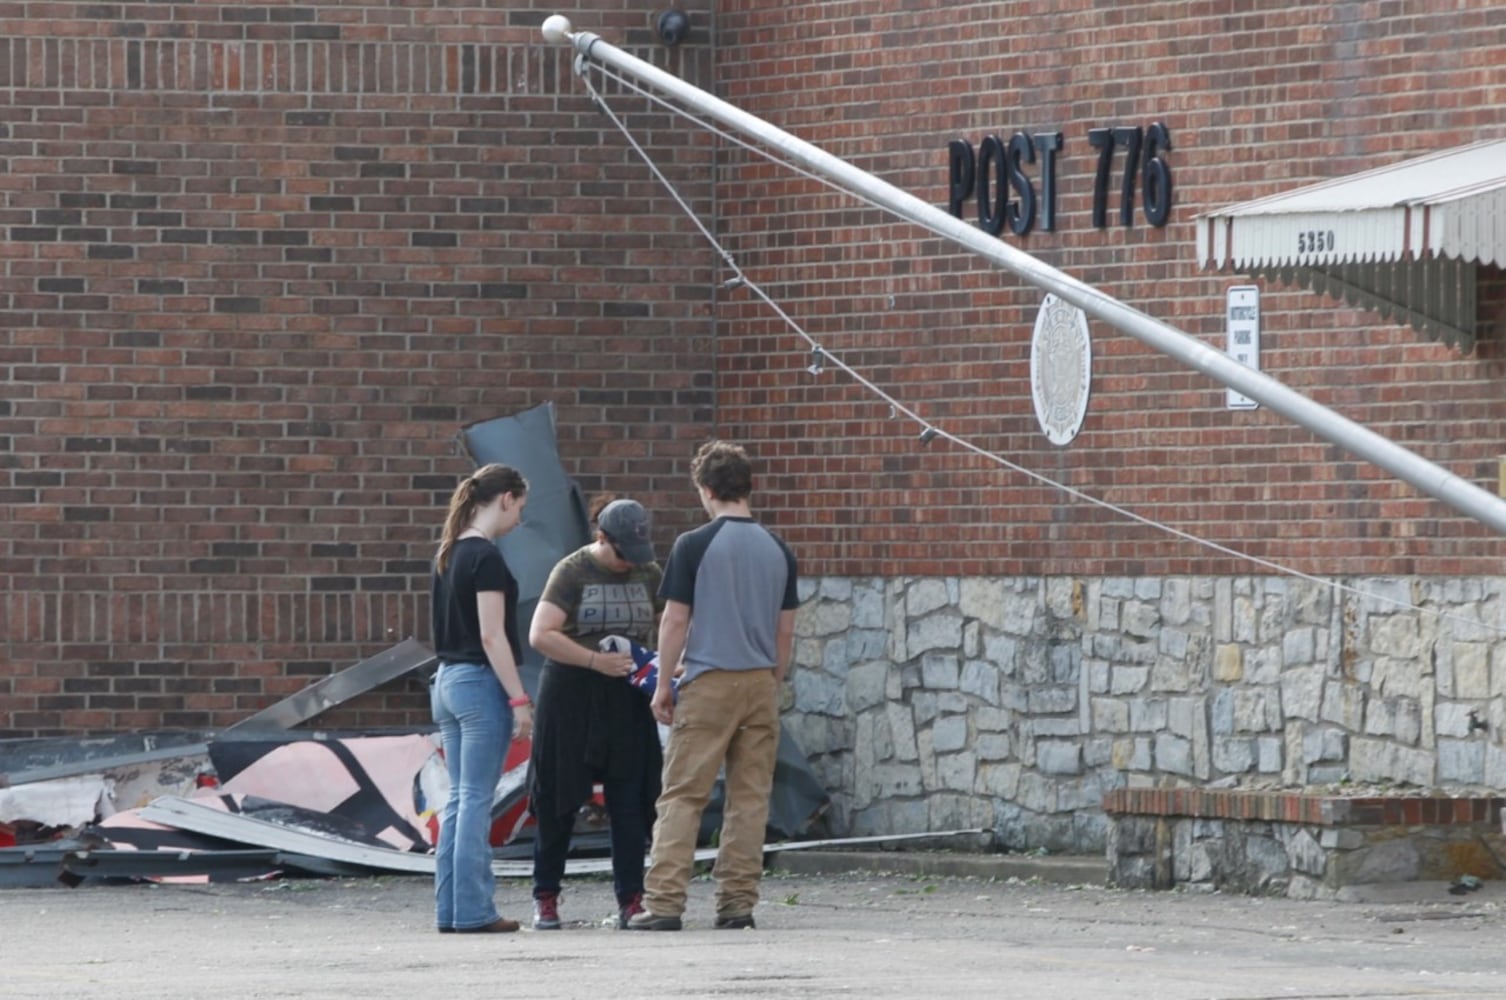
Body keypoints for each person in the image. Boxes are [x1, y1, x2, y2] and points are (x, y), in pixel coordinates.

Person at [628, 441, 798, 932]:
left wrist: (663, 683)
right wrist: (773, 677)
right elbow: (785, 629)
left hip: (707, 680)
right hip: (760, 682)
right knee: (750, 799)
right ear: (749, 487)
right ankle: (737, 905)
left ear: (706, 490)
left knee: (683, 795)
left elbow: (675, 620)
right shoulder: (778, 549)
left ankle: (664, 904)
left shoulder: (694, 545)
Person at [527, 496, 666, 930]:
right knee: (558, 796)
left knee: (630, 798)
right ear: (601, 538)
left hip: (626, 694)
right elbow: (540, 634)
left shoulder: (648, 571)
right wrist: (592, 661)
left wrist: (663, 665)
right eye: (621, 554)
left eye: (635, 554)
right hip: (571, 692)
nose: (629, 563)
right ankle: (546, 897)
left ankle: (631, 898)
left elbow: (669, 621)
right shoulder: (571, 571)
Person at [429, 463, 534, 934]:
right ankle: (474, 911)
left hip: (446, 681)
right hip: (477, 683)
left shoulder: (450, 553)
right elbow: (493, 637)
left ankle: (451, 910)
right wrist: (519, 699)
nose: (519, 520)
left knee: (458, 799)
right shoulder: (487, 558)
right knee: (474, 799)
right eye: (521, 507)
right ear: (506, 498)